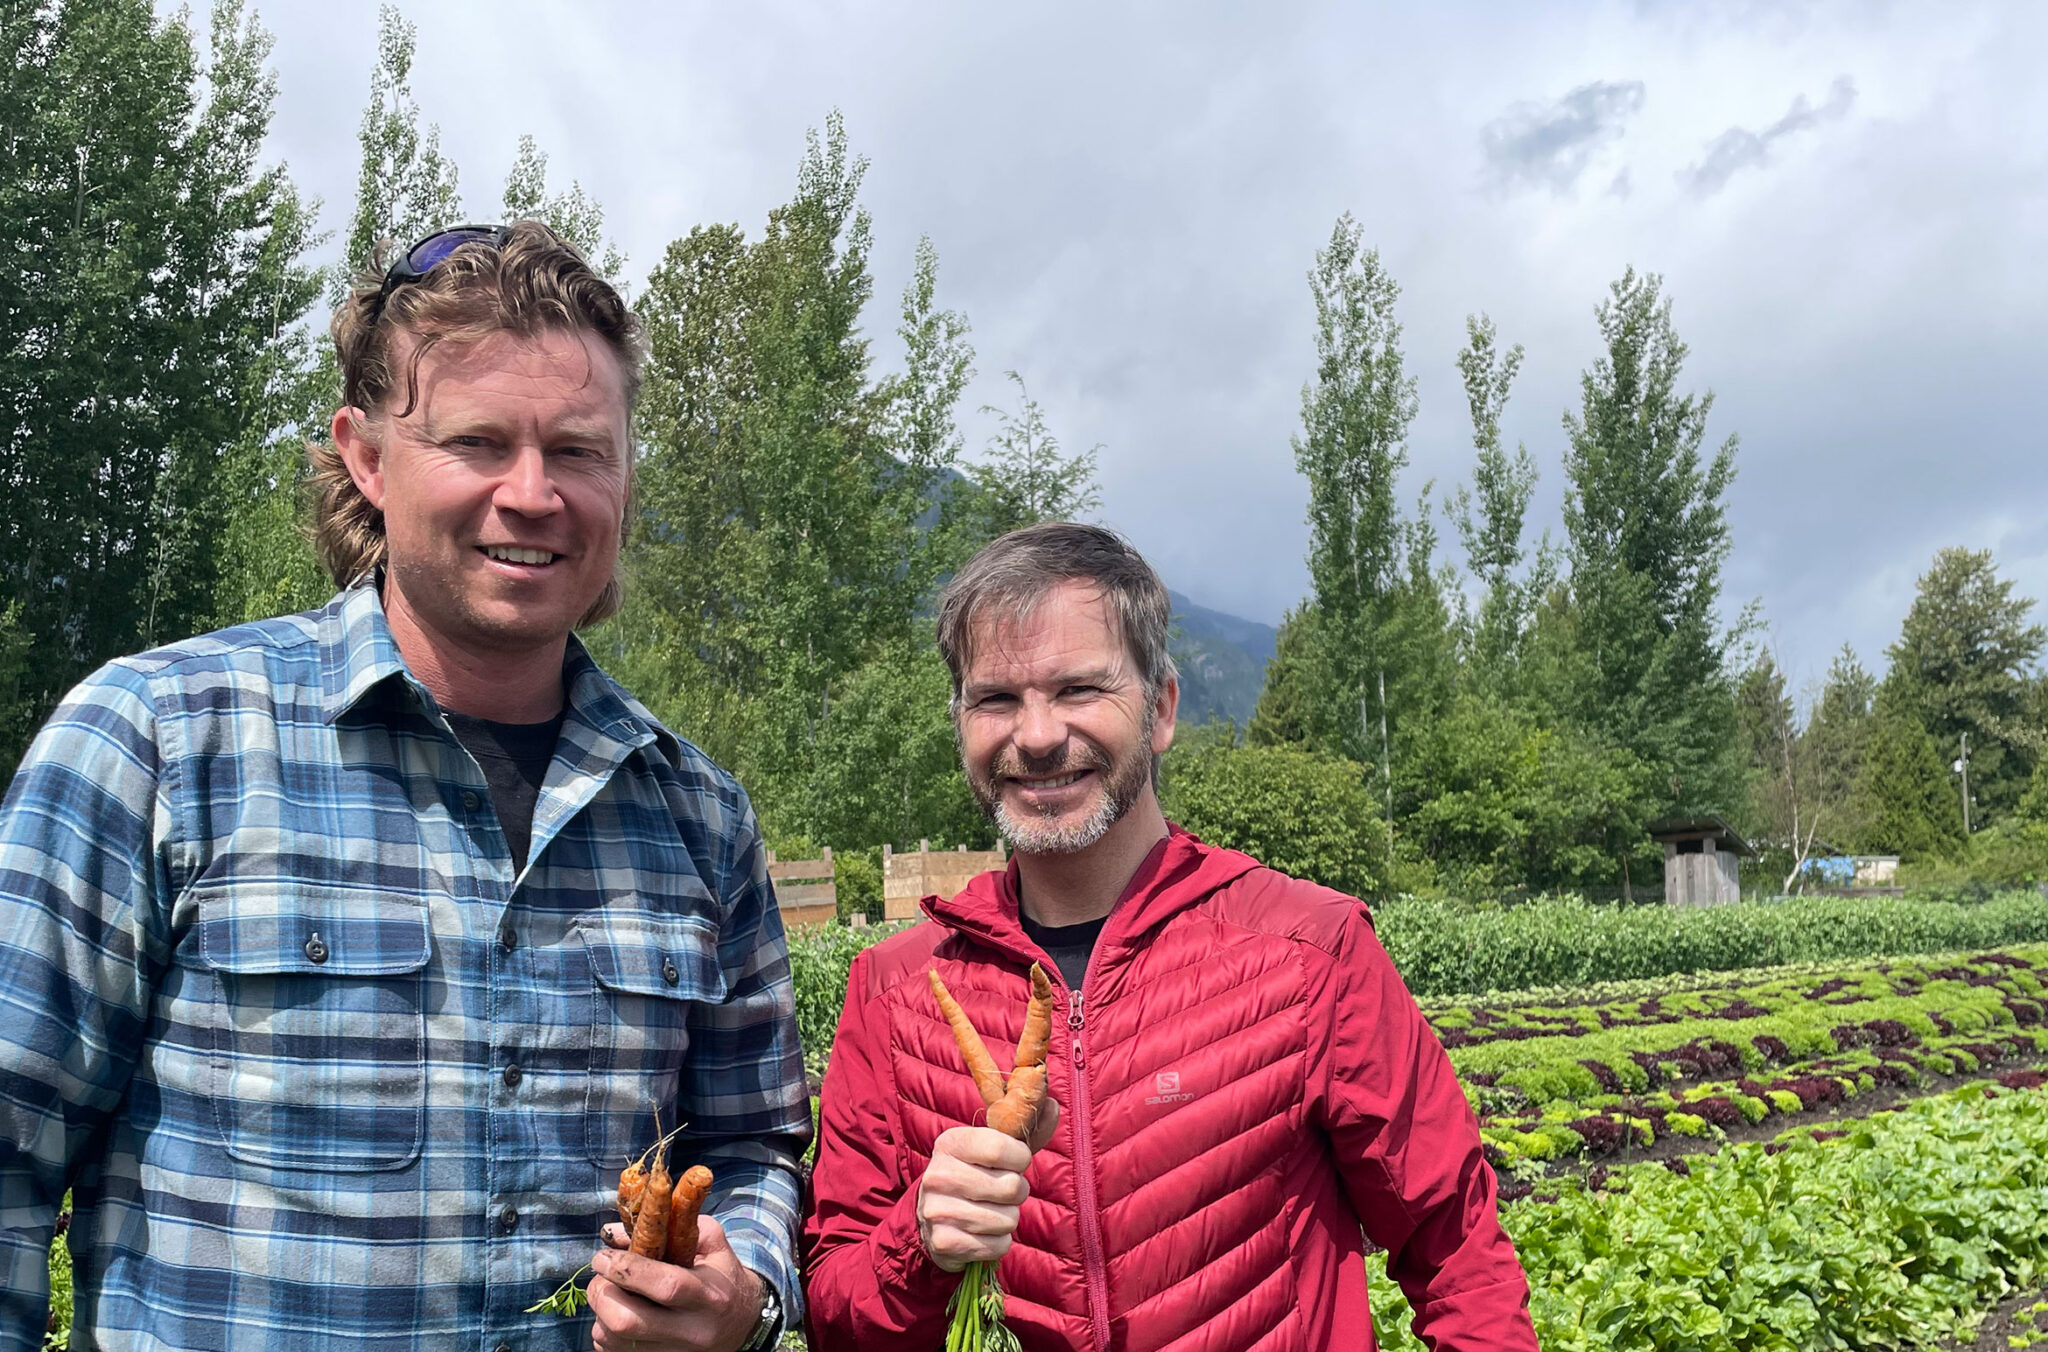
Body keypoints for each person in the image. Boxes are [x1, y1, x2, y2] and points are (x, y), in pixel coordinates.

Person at [0, 222, 807, 1351]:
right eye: (479, 441)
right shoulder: (159, 742)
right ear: (368, 458)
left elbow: (757, 1142)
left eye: (578, 450)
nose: (532, 494)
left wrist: (751, 1297)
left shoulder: (697, 814)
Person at [802, 522, 1537, 1350]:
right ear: (961, 724)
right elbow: (834, 1308)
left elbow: (1458, 1253)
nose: (1037, 736)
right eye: (997, 699)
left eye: (1080, 689)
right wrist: (920, 1246)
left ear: (1160, 711)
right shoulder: (893, 991)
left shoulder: (1311, 951)